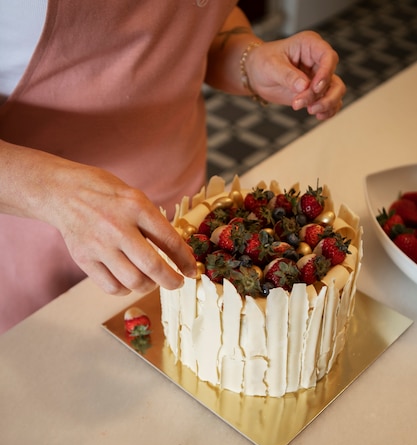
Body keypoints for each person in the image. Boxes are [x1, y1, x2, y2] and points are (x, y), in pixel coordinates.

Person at [0, 1, 346, 334]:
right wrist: (59, 194)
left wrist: (248, 58)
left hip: (182, 209)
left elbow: (193, 25)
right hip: (36, 234)